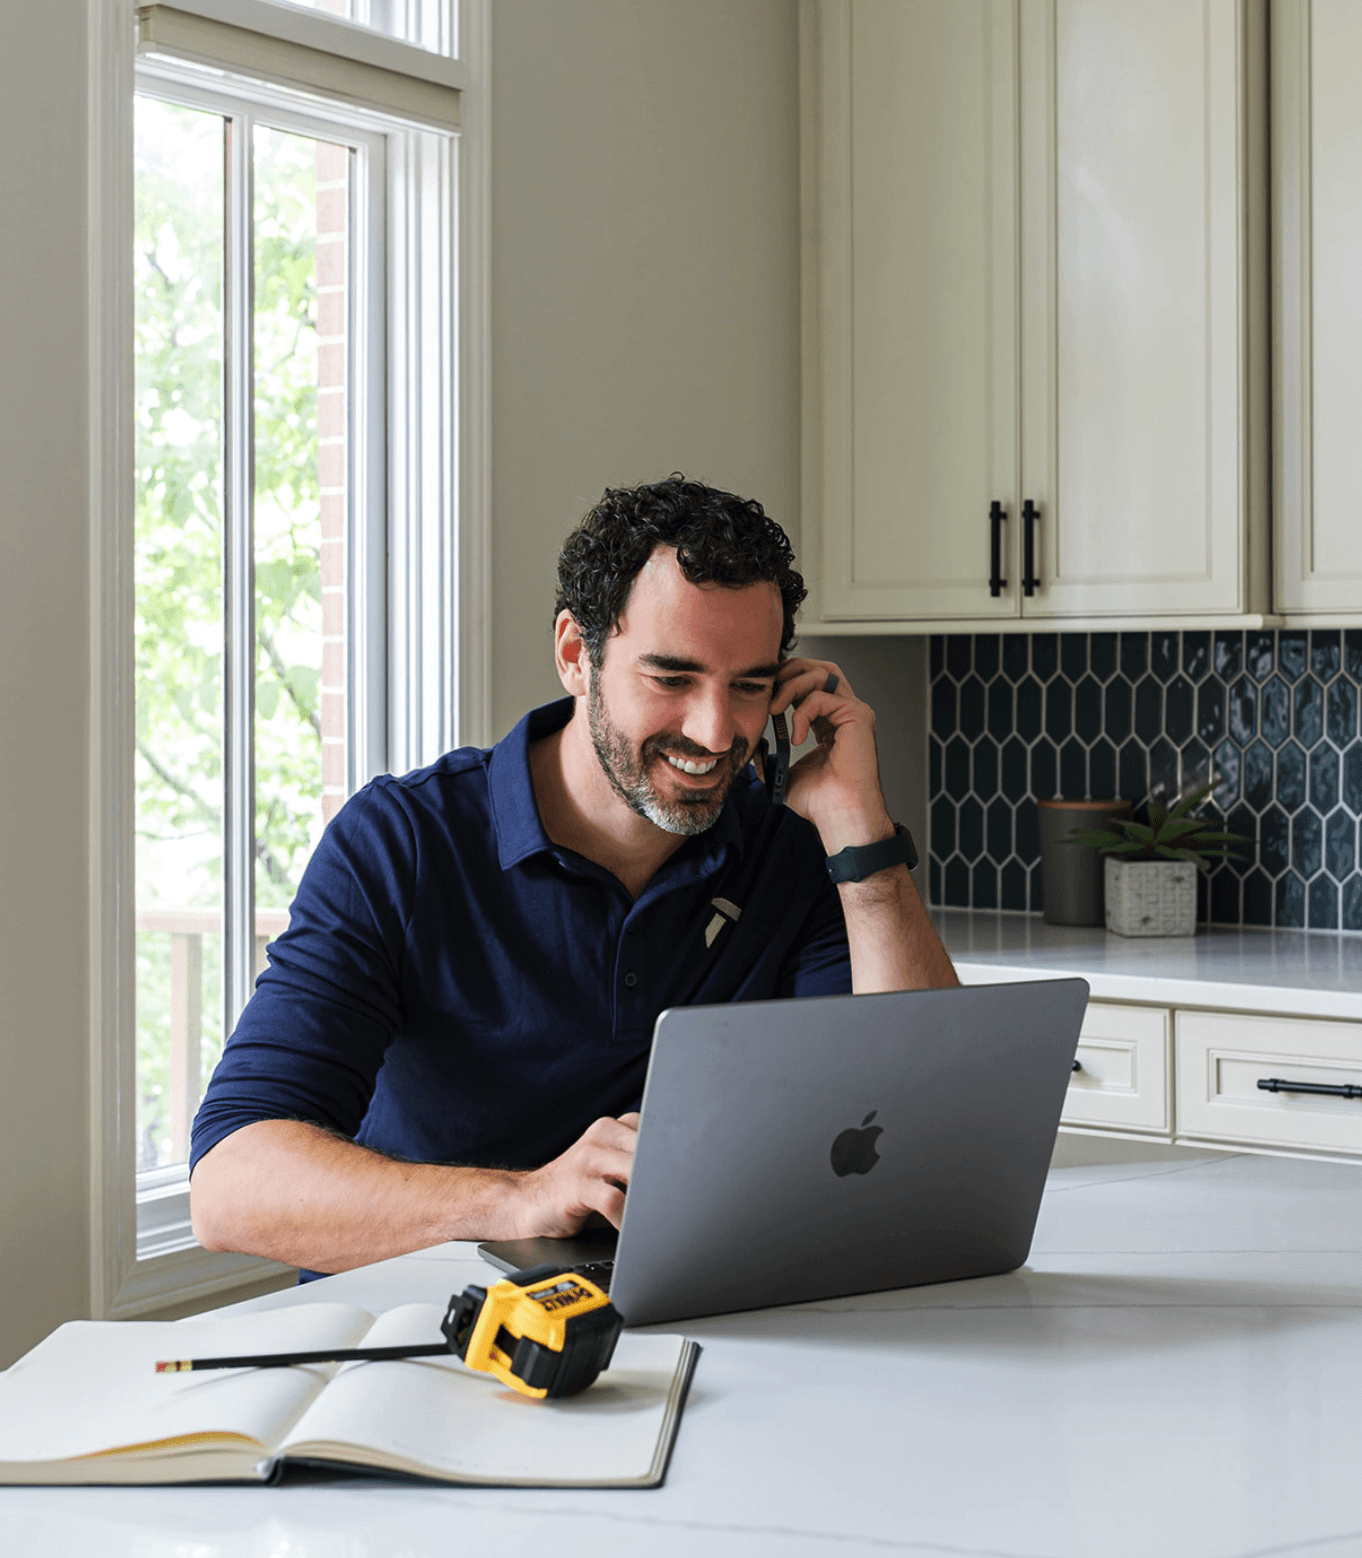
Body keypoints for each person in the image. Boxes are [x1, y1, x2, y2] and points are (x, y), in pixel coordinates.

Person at [189, 475, 958, 1274]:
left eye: (750, 686)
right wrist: (519, 1199)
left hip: (695, 1315)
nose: (716, 729)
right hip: (433, 1330)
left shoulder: (791, 845)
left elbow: (929, 1122)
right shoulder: (402, 841)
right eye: (672, 678)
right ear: (574, 656)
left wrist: (861, 840)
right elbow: (229, 1184)